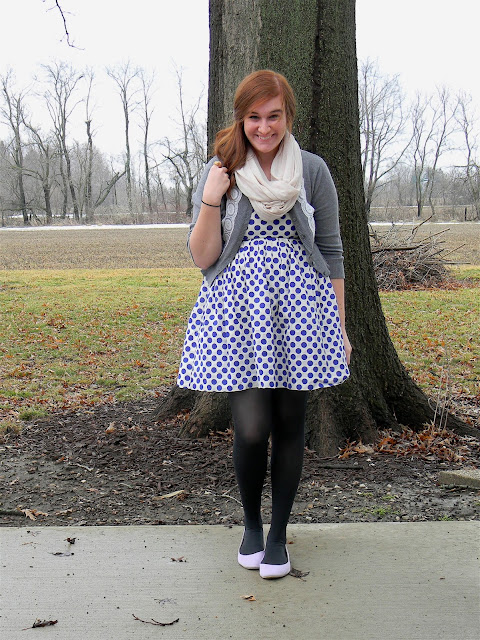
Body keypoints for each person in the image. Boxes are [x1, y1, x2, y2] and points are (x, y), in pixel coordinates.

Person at [177, 70, 352, 579]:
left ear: (288, 116)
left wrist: (339, 327)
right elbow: (202, 256)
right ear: (241, 118)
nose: (264, 127)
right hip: (239, 312)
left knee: (291, 423)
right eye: (254, 117)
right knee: (252, 428)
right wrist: (212, 197)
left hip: (301, 311)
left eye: (274, 116)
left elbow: (332, 251)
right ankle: (252, 524)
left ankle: (278, 536)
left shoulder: (312, 170)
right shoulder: (222, 168)